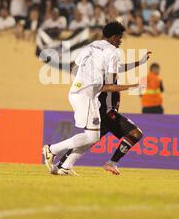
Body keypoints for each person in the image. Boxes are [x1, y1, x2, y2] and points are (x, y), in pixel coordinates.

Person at [42, 22, 140, 176]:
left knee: (92, 137)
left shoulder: (92, 45)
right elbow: (108, 86)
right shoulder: (114, 52)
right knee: (92, 136)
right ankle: (52, 149)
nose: (121, 41)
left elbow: (75, 65)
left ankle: (64, 167)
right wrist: (132, 86)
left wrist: (87, 78)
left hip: (77, 92)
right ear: (114, 37)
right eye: (120, 38)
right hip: (86, 95)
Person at [54, 52, 152, 176]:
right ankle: (112, 162)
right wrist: (132, 86)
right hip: (106, 113)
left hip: (104, 113)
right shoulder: (101, 73)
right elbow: (106, 87)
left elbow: (122, 68)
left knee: (88, 141)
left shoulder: (108, 70)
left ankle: (61, 165)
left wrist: (140, 62)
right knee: (136, 133)